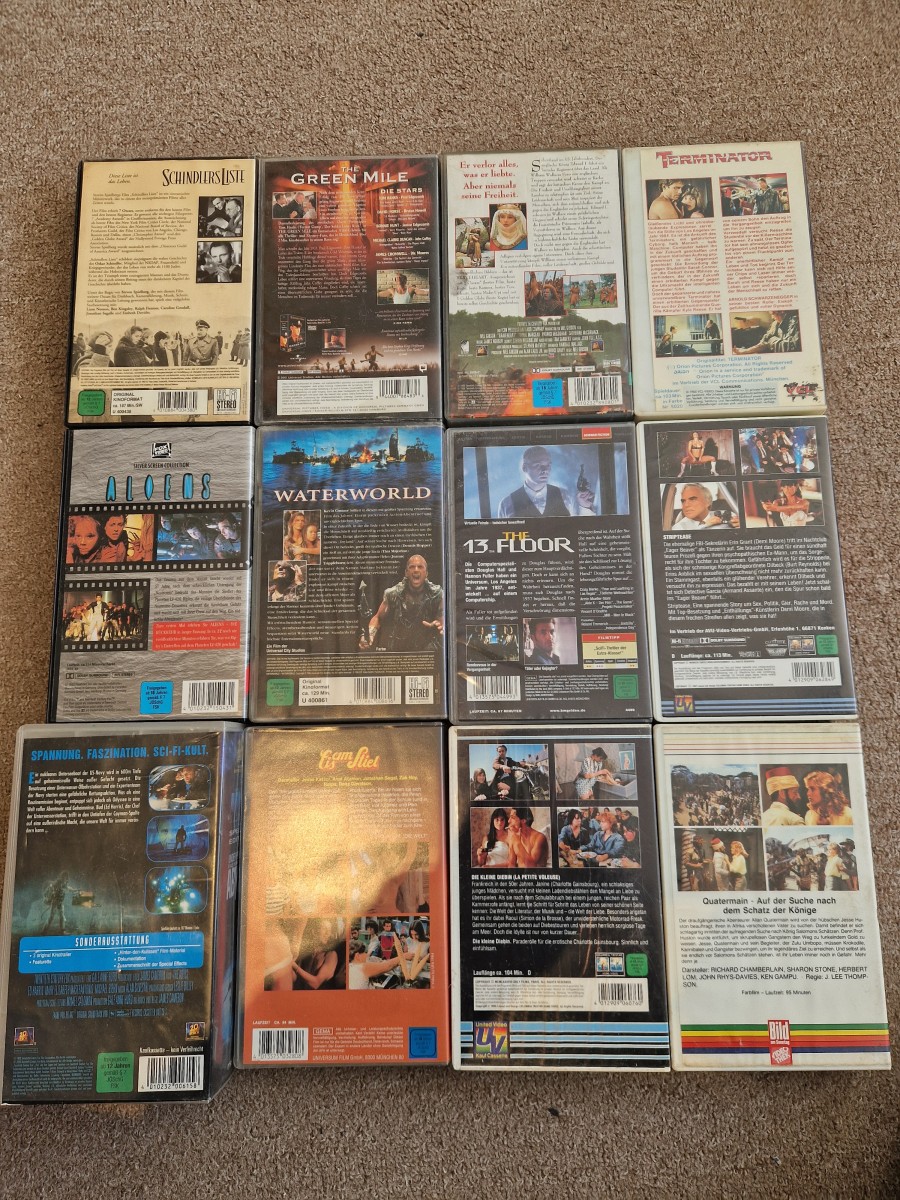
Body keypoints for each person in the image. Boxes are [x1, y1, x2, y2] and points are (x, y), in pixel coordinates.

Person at [361, 553, 443, 652]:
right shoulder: (393, 594)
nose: (416, 570)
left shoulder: (437, 595)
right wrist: (370, 636)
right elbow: (378, 617)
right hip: (399, 648)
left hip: (425, 649)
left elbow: (441, 623)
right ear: (406, 573)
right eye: (412, 567)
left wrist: (437, 626)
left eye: (420, 567)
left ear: (426, 573)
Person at [497, 445, 596, 519]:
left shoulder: (566, 496)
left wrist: (585, 507)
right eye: (537, 465)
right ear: (524, 468)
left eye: (548, 465)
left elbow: (578, 529)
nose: (545, 470)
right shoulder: (506, 504)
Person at [672, 483, 739, 530]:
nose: (686, 505)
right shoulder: (679, 527)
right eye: (683, 501)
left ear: (708, 502)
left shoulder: (728, 515)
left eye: (692, 499)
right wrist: (705, 526)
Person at [733, 310, 799, 354]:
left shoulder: (795, 322)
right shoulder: (775, 323)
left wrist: (772, 340)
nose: (772, 317)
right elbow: (764, 343)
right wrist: (746, 351)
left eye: (772, 314)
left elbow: (792, 348)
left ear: (782, 312)